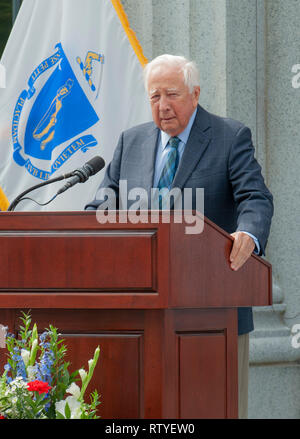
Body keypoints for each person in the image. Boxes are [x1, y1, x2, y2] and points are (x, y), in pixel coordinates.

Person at [85, 54, 274, 418]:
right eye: (155, 97)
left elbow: (256, 197)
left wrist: (248, 234)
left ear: (195, 94)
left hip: (213, 310)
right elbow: (102, 204)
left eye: (172, 94)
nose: (163, 106)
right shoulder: (131, 141)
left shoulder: (229, 136)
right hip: (138, 313)